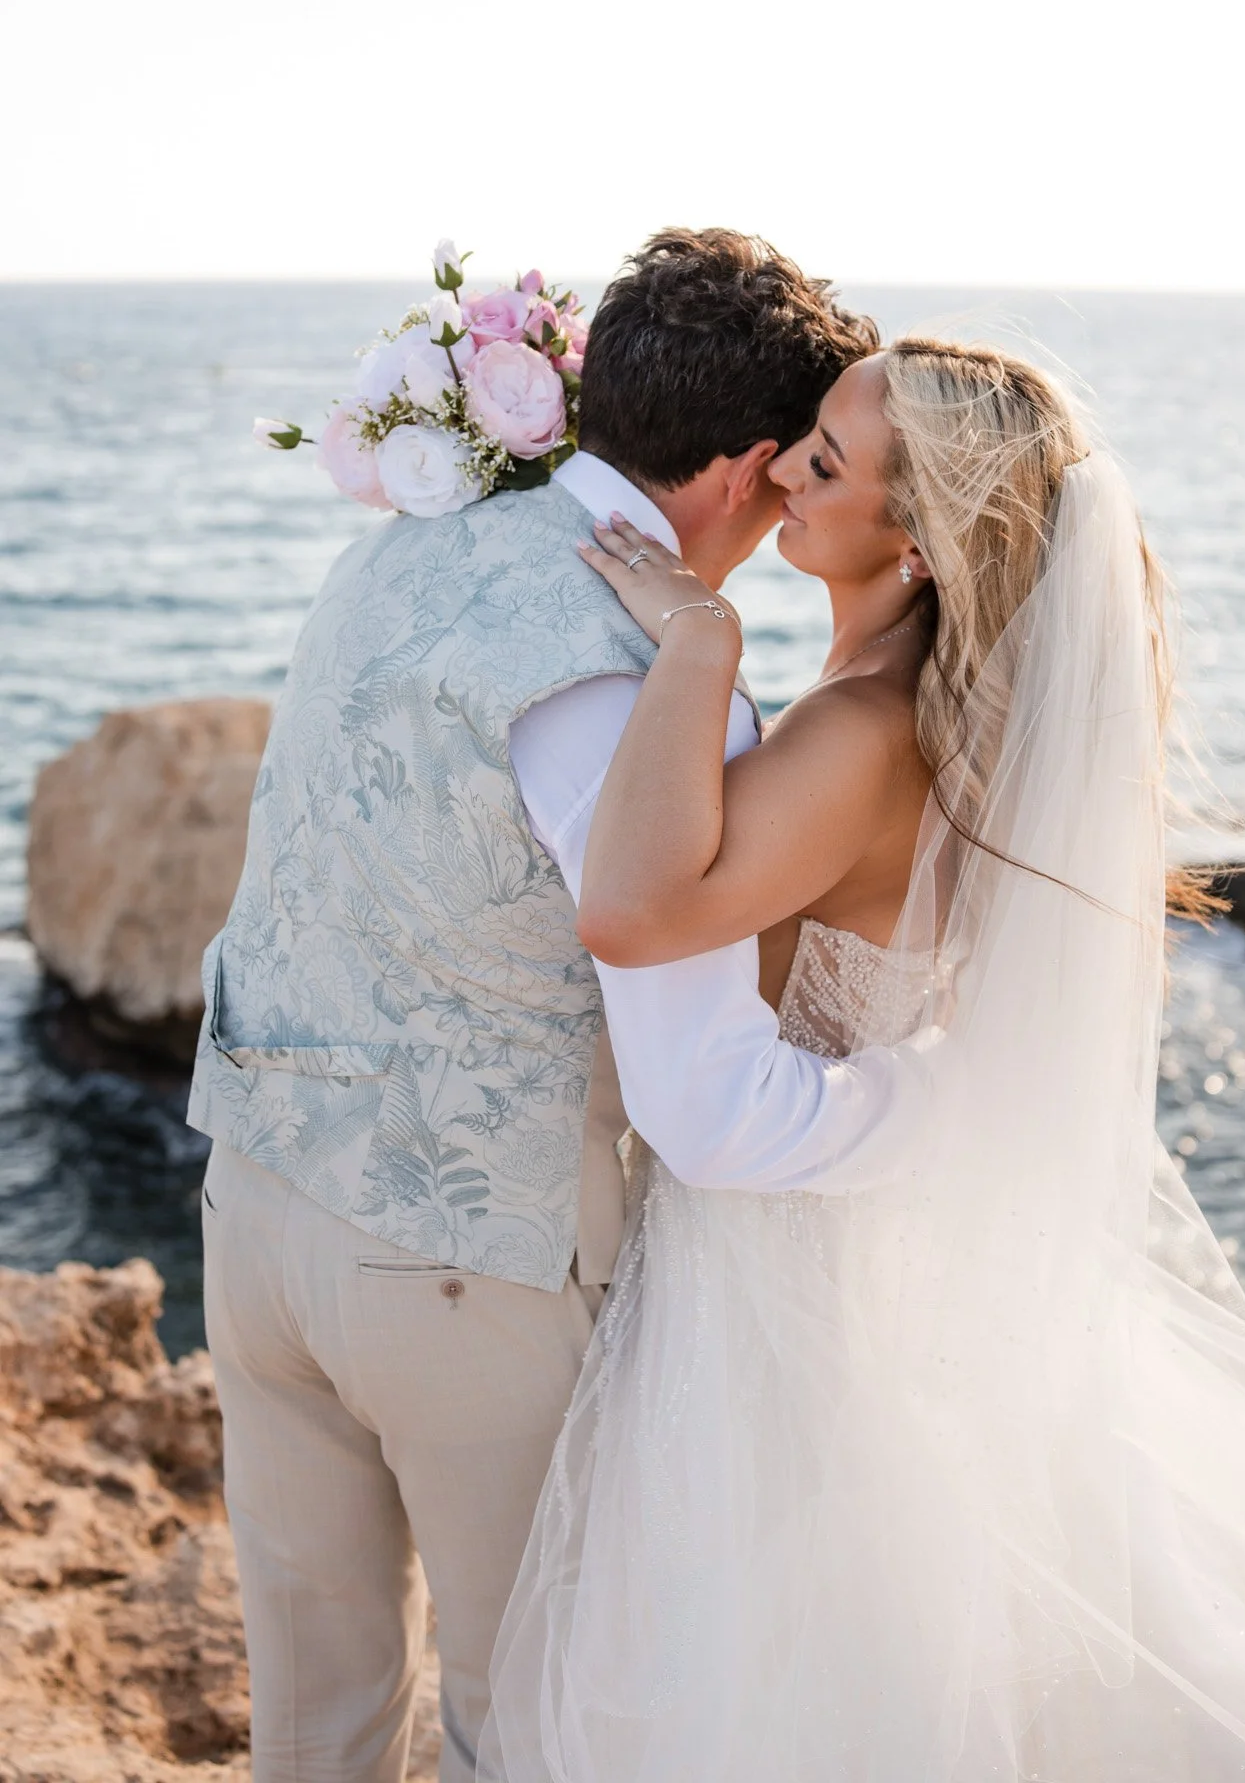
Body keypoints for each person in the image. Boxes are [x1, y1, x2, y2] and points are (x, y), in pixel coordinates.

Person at [481, 339, 1245, 1780]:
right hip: (864, 1244)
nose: (783, 473)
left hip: (771, 1278)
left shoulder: (860, 734)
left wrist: (700, 641)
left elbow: (631, 910)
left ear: (923, 540)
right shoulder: (944, 725)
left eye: (826, 460)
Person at [187, 227, 898, 1783]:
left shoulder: (414, 536)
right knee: (537, 1729)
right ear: (758, 463)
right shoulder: (653, 702)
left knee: (313, 1719)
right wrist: (945, 1110)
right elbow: (699, 1102)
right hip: (463, 1273)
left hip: (252, 1205)